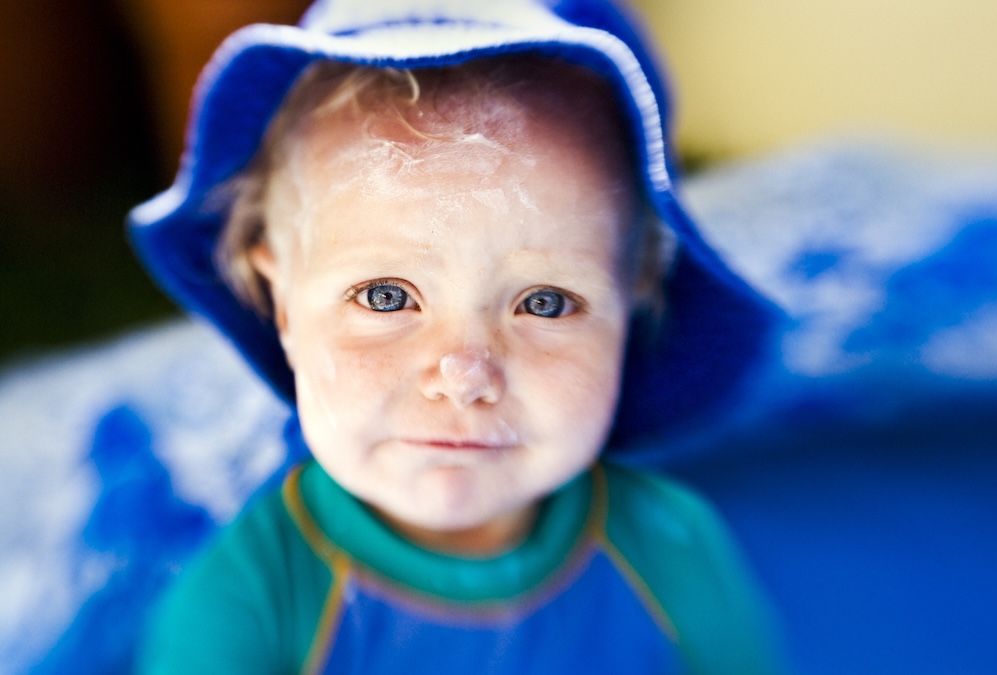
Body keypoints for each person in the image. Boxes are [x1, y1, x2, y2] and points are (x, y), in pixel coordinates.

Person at [130, 0, 788, 672]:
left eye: (546, 301)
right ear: (284, 307)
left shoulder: (675, 549)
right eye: (386, 296)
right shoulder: (247, 607)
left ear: (634, 298)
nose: (466, 374)